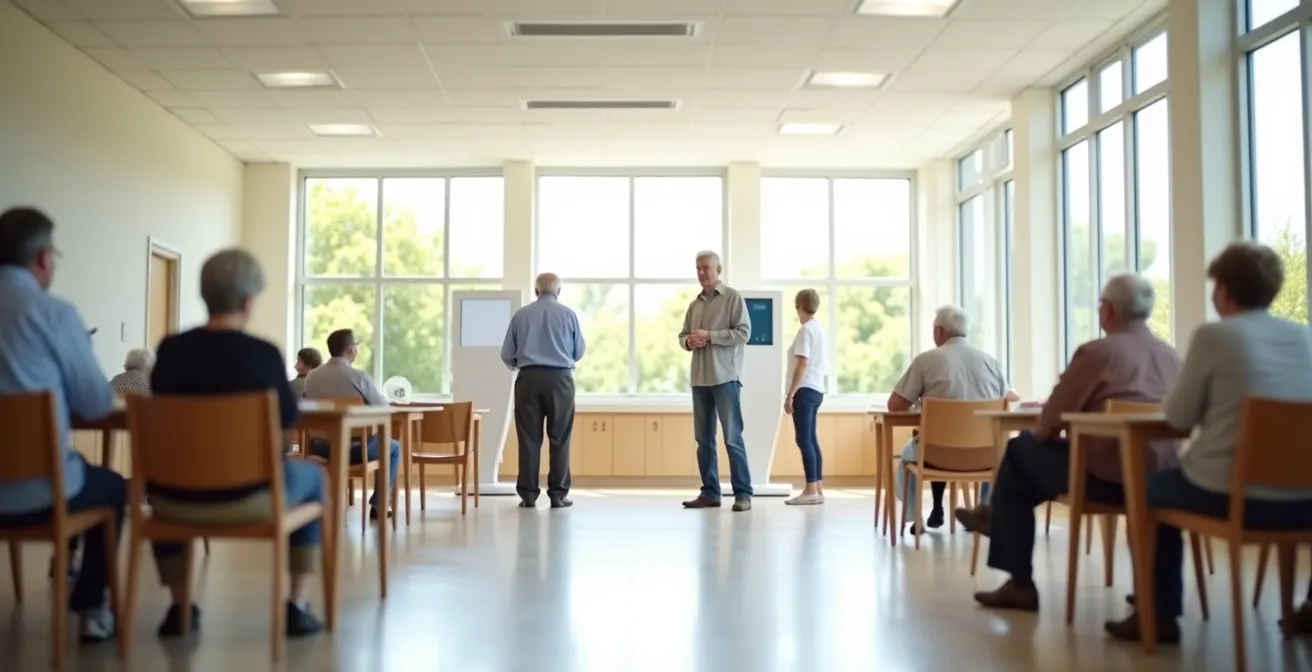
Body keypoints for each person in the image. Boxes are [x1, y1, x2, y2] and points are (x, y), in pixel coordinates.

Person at [1106, 243, 1312, 644]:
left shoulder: (1214, 337)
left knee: (1147, 490)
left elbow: (1178, 417)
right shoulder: (1304, 337)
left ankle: (1158, 614)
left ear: (1224, 292)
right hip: (1305, 499)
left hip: (1232, 493)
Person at [956, 274, 1181, 612]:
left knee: (1019, 452)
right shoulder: (1171, 355)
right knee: (1021, 476)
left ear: (1108, 310)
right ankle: (1157, 605)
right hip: (1161, 480)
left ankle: (1017, 575)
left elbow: (1050, 421)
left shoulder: (1097, 353)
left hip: (1106, 480)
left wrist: (1047, 433)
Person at [149, 248, 325, 638]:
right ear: (248, 301)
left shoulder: (170, 350)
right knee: (315, 478)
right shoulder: (263, 354)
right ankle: (297, 606)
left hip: (171, 497)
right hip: (251, 494)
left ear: (205, 294)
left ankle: (180, 606)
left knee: (171, 477)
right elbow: (287, 419)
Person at [0, 207, 120, 642]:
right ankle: (91, 610)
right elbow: (97, 402)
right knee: (113, 488)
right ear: (43, 258)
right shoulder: (54, 313)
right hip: (39, 491)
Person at [889, 305, 1017, 532]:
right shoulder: (991, 362)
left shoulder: (925, 361)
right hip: (984, 455)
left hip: (937, 454)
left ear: (939, 330)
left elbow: (896, 405)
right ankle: (984, 509)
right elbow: (1009, 399)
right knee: (994, 444)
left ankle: (915, 517)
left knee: (908, 455)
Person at [500, 272, 586, 508]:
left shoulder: (521, 315)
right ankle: (558, 494)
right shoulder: (568, 314)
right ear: (558, 292)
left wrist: (519, 363)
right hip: (560, 380)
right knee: (560, 438)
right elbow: (579, 351)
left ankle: (528, 495)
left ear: (536, 291)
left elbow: (506, 353)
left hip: (528, 379)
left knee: (528, 438)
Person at [678, 251, 753, 512]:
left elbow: (744, 333)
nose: (701, 272)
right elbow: (682, 336)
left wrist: (710, 336)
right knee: (704, 440)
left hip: (725, 379)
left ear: (718, 270)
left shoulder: (732, 298)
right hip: (700, 380)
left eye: (706, 268)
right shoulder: (694, 304)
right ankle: (710, 493)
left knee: (732, 438)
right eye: (698, 268)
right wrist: (689, 341)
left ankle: (743, 494)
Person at [302, 328, 400, 519]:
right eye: (356, 345)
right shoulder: (358, 377)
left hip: (320, 447)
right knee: (395, 448)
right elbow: (382, 408)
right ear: (350, 349)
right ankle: (378, 505)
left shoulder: (311, 376)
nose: (357, 349)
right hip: (354, 450)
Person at [784, 288, 828, 506]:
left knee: (804, 439)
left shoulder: (805, 330)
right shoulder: (819, 329)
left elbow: (802, 363)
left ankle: (810, 490)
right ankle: (817, 488)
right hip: (817, 389)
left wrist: (790, 394)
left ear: (799, 306)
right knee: (810, 438)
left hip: (804, 390)